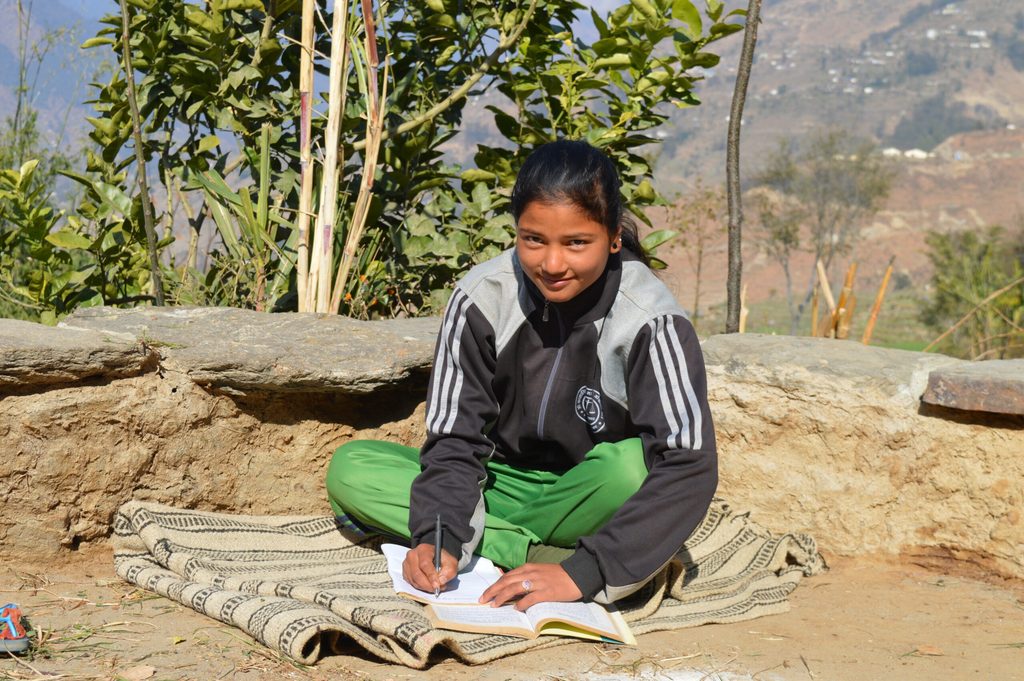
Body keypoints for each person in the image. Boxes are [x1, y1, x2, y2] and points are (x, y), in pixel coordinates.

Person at [326, 139, 717, 611]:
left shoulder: (651, 321)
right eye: (534, 239)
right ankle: (533, 555)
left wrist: (586, 573)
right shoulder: (481, 297)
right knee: (352, 468)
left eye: (577, 243)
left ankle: (560, 559)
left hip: (586, 492)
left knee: (632, 469)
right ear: (516, 231)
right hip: (493, 483)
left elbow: (688, 464)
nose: (552, 265)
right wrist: (438, 536)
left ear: (614, 236)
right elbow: (455, 439)